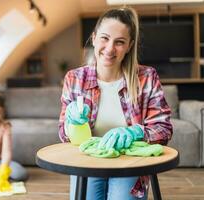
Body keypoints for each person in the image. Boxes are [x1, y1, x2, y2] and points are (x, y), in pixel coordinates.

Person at [58, 7, 172, 200]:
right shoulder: (75, 78)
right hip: (89, 160)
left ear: (129, 46)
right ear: (94, 38)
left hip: (130, 161)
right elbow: (63, 135)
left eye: (119, 42)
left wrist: (136, 132)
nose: (110, 48)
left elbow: (164, 129)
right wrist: (72, 125)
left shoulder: (146, 77)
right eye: (104, 38)